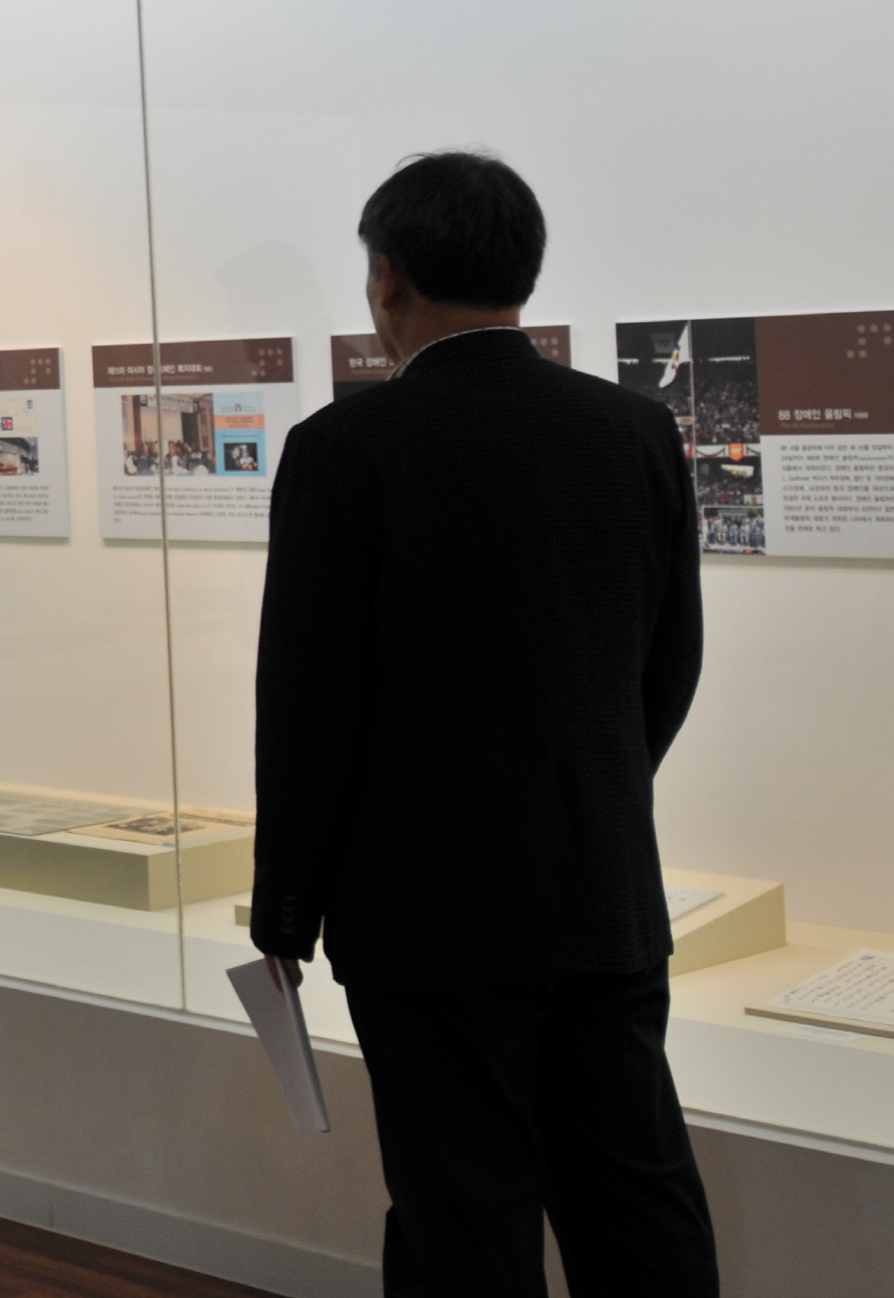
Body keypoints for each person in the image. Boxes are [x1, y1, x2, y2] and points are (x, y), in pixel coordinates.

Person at [251, 152, 714, 1297]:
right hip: (598, 883)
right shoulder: (633, 427)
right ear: (522, 272)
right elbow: (668, 661)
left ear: (385, 277)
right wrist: (596, 789)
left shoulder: (343, 446)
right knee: (633, 1195)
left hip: (422, 908)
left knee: (462, 1211)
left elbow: (307, 701)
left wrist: (285, 904)